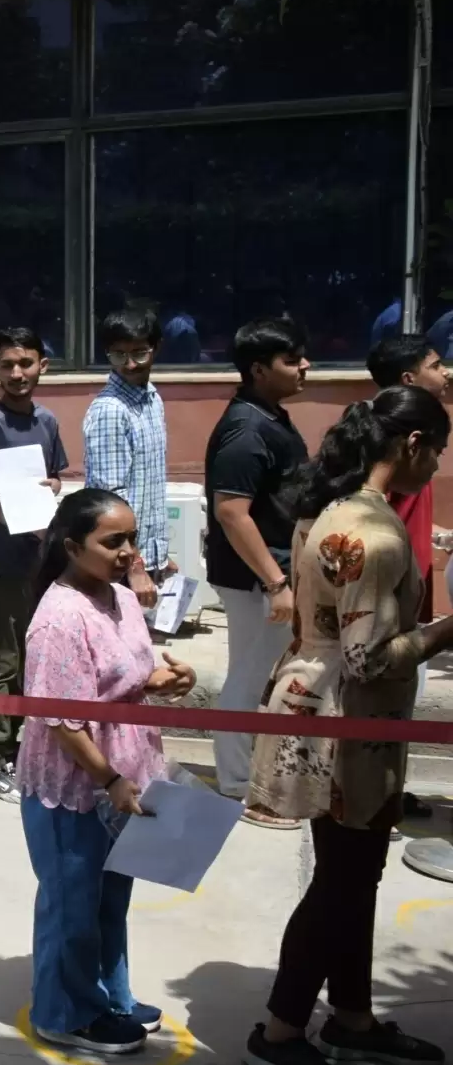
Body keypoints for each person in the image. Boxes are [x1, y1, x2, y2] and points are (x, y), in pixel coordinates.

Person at [241, 387, 451, 1065]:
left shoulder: (330, 508)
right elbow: (369, 658)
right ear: (412, 444)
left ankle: (352, 1017)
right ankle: (280, 1033)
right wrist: (447, 629)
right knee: (339, 884)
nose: (437, 465)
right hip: (347, 725)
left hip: (328, 709)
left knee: (355, 875)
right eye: (438, 450)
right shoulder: (376, 535)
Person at [18, 488, 195, 1055]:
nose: (128, 552)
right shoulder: (59, 619)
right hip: (76, 784)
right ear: (73, 547)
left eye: (132, 539)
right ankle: (64, 1013)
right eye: (112, 541)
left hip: (125, 777)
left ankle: (110, 998)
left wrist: (167, 681)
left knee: (111, 897)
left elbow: (123, 679)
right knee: (72, 903)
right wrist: (109, 780)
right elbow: (63, 722)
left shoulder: (120, 597)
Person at [204, 317, 309, 823]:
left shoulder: (270, 416)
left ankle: (243, 773)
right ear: (259, 369)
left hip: (268, 574)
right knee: (249, 678)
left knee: (250, 675)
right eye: (292, 360)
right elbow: (231, 512)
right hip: (257, 578)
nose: (305, 366)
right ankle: (237, 784)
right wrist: (276, 582)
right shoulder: (246, 430)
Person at [0, 327, 68, 803]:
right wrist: (24, 522)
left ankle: (20, 750)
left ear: (42, 365)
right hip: (2, 566)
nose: (17, 373)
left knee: (33, 661)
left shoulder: (47, 421)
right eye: (7, 365)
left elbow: (53, 479)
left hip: (39, 565)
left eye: (25, 363)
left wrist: (50, 492)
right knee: (0, 663)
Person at [368, 336, 453, 877]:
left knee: (408, 695)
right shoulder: (397, 442)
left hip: (414, 588)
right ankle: (378, 795)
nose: (447, 373)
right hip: (393, 596)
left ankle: (391, 788)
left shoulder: (416, 437)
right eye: (436, 365)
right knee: (390, 694)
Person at [83, 308, 172, 608]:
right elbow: (111, 499)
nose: (130, 364)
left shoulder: (152, 399)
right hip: (120, 564)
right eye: (119, 355)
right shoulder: (111, 410)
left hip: (145, 557)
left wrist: (160, 556)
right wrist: (134, 567)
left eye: (139, 353)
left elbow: (149, 489)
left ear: (156, 348)